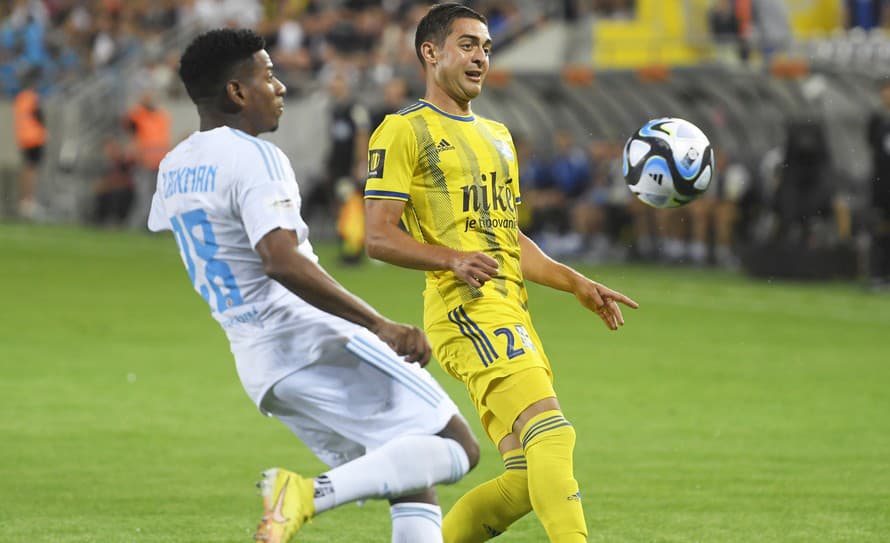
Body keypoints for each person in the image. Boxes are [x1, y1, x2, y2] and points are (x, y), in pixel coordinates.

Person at [147, 28, 479, 543]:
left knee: (407, 471)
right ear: (237, 92)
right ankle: (304, 494)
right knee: (457, 447)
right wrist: (378, 323)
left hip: (259, 362)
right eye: (269, 76)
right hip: (312, 339)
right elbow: (279, 259)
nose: (279, 87)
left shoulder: (174, 168)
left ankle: (308, 495)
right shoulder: (256, 158)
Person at [363, 4, 639, 542]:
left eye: (487, 47)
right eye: (468, 45)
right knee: (553, 434)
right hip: (464, 308)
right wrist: (450, 258)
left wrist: (575, 281)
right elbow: (377, 235)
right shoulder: (404, 131)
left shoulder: (497, 136)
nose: (481, 58)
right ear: (431, 52)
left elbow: (505, 236)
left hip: (509, 309)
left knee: (522, 480)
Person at [12, 67, 46, 219]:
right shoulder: (32, 97)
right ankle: (28, 201)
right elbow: (39, 116)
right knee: (32, 170)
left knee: (27, 169)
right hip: (35, 137)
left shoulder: (20, 97)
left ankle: (24, 201)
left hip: (23, 138)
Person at [867, 78, 890, 289]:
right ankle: (879, 276)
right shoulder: (878, 122)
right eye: (883, 92)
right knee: (881, 230)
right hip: (883, 187)